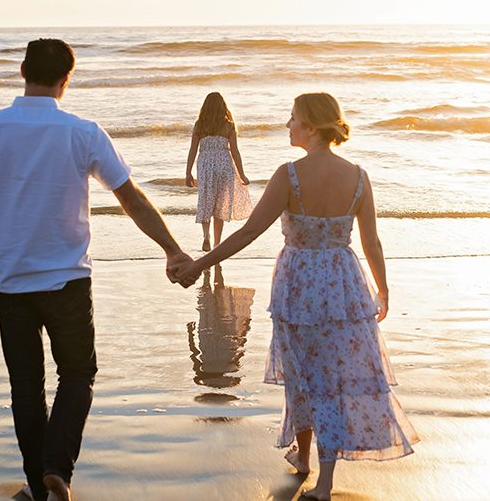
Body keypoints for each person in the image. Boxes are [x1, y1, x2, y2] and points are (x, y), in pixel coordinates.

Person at [0, 38, 196, 501]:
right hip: (67, 279)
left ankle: (40, 486)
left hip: (7, 279)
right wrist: (172, 249)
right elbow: (131, 198)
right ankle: (57, 470)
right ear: (67, 80)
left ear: (22, 69)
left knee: (26, 384)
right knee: (77, 375)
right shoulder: (82, 132)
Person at [171, 93, 418, 500]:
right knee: (330, 376)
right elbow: (371, 242)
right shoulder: (358, 176)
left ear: (312, 127)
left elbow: (249, 232)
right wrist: (382, 289)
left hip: (299, 286)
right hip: (344, 285)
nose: (288, 125)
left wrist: (200, 264)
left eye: (293, 119)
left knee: (304, 375)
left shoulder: (290, 175)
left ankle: (320, 480)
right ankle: (308, 464)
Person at [185, 92, 253, 251]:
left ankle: (206, 236)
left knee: (206, 201)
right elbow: (235, 152)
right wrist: (241, 174)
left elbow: (193, 150)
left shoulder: (199, 125)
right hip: (224, 166)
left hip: (205, 166)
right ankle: (217, 243)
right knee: (220, 205)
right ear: (223, 106)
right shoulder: (228, 125)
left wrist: (188, 172)